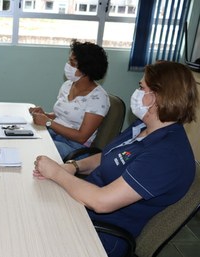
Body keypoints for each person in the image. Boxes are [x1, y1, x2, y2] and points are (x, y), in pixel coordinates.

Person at [33, 61, 198, 257]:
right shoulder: (142, 127)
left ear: (157, 97)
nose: (136, 92)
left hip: (100, 234)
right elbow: (108, 156)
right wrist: (74, 166)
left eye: (141, 87)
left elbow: (102, 202)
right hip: (81, 209)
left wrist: (58, 173)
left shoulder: (167, 155)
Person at [29, 41, 110, 160]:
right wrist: (45, 115)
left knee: (35, 149)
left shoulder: (98, 98)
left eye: (72, 63)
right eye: (69, 61)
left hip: (75, 146)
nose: (68, 65)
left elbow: (82, 137)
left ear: (86, 69)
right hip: (55, 134)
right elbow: (61, 117)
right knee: (24, 137)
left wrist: (48, 122)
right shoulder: (68, 85)